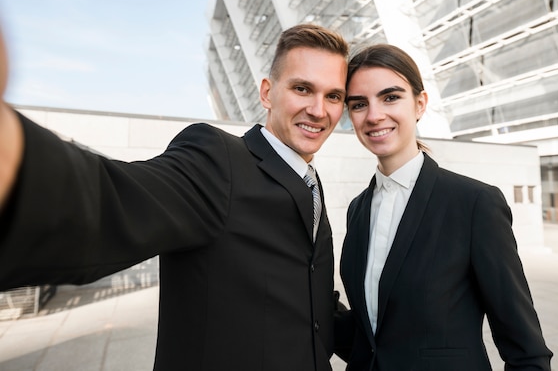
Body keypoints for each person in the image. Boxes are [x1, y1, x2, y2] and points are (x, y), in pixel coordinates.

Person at [0, 23, 349, 371]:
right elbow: (113, 200)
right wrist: (14, 160)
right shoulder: (218, 163)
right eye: (303, 89)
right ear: (266, 93)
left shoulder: (309, 181)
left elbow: (311, 300)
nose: (319, 110)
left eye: (333, 96)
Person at [336, 44, 553, 370]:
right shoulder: (358, 209)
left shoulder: (474, 204)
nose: (374, 115)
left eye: (391, 97)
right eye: (358, 104)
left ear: (420, 104)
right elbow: (369, 336)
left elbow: (526, 349)